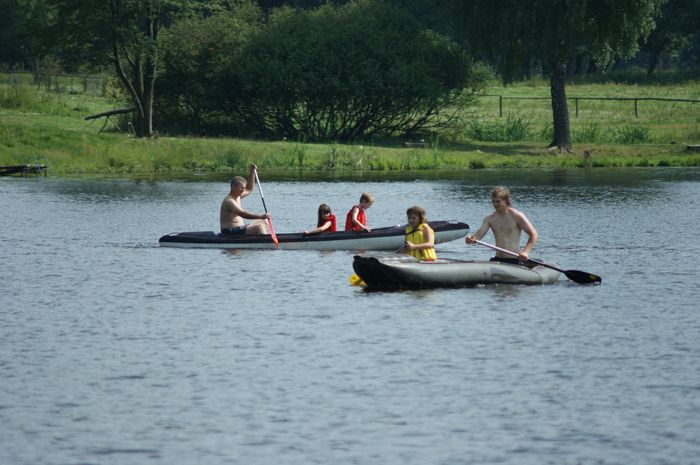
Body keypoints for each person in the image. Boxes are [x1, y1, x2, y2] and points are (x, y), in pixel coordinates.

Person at [465, 186, 538, 264]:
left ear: (506, 201)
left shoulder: (517, 216)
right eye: (493, 202)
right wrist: (469, 239)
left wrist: (525, 252)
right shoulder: (490, 218)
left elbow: (533, 234)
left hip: (513, 260)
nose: (495, 204)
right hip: (497, 259)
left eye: (498, 201)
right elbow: (477, 236)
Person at [219, 164, 270, 235]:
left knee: (265, 221)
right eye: (241, 188)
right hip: (229, 231)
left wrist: (252, 173)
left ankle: (261, 239)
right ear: (233, 187)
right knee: (259, 227)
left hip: (239, 229)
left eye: (243, 188)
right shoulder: (229, 201)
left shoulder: (237, 196)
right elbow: (243, 214)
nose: (243, 190)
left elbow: (249, 189)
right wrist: (261, 216)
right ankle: (266, 241)